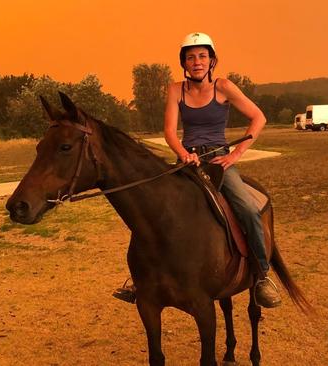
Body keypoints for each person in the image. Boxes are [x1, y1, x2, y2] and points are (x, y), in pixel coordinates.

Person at [114, 32, 281, 308]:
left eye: (202, 56)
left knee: (248, 210)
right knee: (151, 207)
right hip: (188, 161)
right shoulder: (175, 89)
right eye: (191, 57)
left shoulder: (224, 86)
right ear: (184, 62)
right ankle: (141, 278)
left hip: (218, 162)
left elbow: (258, 117)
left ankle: (262, 275)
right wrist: (183, 154)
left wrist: (237, 153)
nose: (197, 61)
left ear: (212, 60)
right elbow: (169, 131)